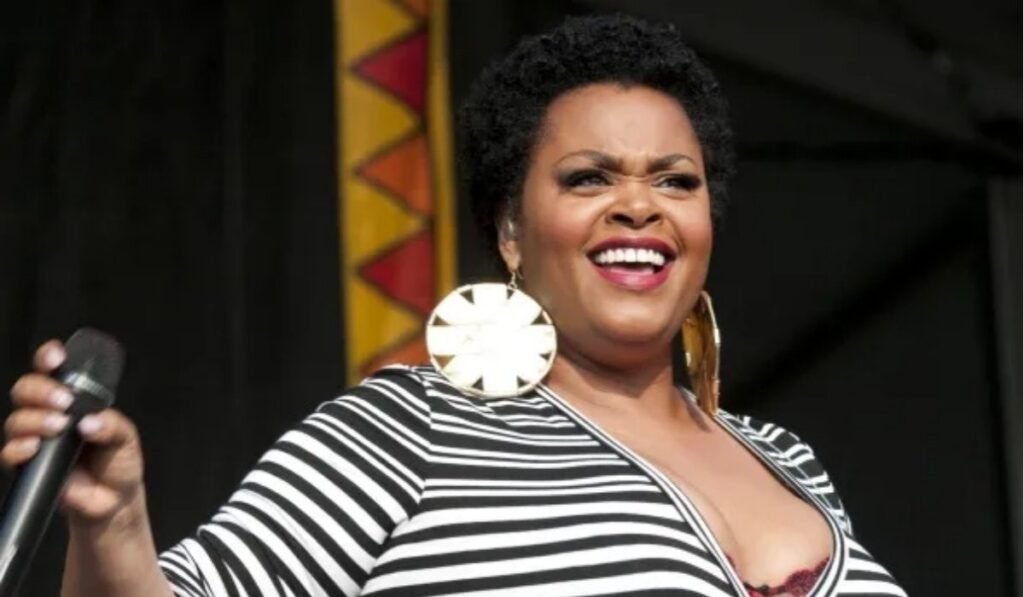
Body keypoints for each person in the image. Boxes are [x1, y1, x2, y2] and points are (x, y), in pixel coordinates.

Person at [3, 14, 907, 597]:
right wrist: (114, 524)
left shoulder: (788, 460)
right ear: (511, 230)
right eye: (589, 178)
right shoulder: (409, 427)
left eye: (676, 180)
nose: (640, 205)